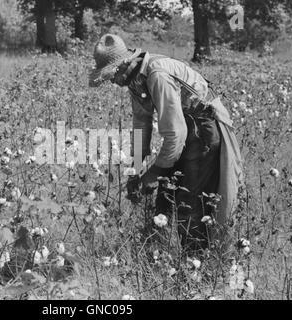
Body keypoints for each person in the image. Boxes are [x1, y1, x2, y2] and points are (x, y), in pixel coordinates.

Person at [89, 34, 243, 253]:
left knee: (187, 197)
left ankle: (196, 266)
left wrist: (152, 174)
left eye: (111, 75)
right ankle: (158, 253)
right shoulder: (135, 79)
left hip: (203, 130)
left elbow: (175, 135)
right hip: (188, 130)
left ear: (124, 64)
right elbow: (141, 124)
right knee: (166, 192)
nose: (112, 81)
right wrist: (137, 169)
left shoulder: (157, 75)